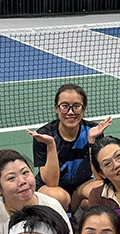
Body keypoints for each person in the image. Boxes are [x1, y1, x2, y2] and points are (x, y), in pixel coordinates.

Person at [28, 83, 111, 212]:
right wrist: (50, 145)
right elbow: (52, 183)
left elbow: (99, 176)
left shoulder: (93, 131)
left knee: (103, 190)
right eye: (65, 106)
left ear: (83, 109)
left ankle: (78, 215)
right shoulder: (44, 135)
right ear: (56, 108)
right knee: (59, 197)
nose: (70, 112)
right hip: (50, 189)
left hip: (81, 186)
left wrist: (92, 141)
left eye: (76, 106)